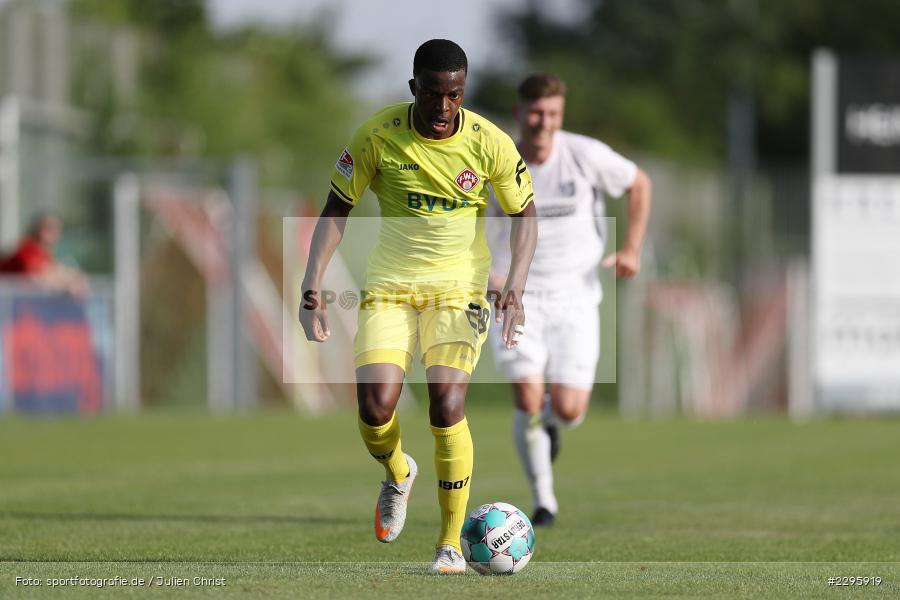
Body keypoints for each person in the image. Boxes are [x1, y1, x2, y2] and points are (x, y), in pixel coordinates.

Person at [299, 39, 537, 574]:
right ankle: (396, 471)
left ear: (463, 92)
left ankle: (450, 544)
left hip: (460, 291)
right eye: (432, 94)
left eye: (454, 95)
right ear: (414, 89)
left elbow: (526, 214)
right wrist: (311, 283)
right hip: (390, 288)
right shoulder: (377, 136)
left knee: (446, 405)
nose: (443, 107)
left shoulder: (489, 143)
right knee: (375, 407)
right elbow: (336, 210)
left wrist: (515, 283)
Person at [488, 73, 652, 527]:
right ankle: (544, 501)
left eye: (554, 114)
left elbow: (640, 184)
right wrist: (488, 272)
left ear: (562, 115)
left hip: (576, 295)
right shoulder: (496, 160)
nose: (544, 123)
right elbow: (472, 224)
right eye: (537, 113)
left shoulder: (584, 155)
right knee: (527, 396)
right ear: (520, 113)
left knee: (568, 408)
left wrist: (632, 248)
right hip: (517, 298)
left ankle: (553, 424)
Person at [0, 212, 88, 298]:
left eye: (56, 228)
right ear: (37, 229)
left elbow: (54, 271)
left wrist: (74, 278)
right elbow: (37, 277)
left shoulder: (45, 254)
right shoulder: (29, 249)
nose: (52, 232)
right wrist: (66, 284)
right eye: (48, 227)